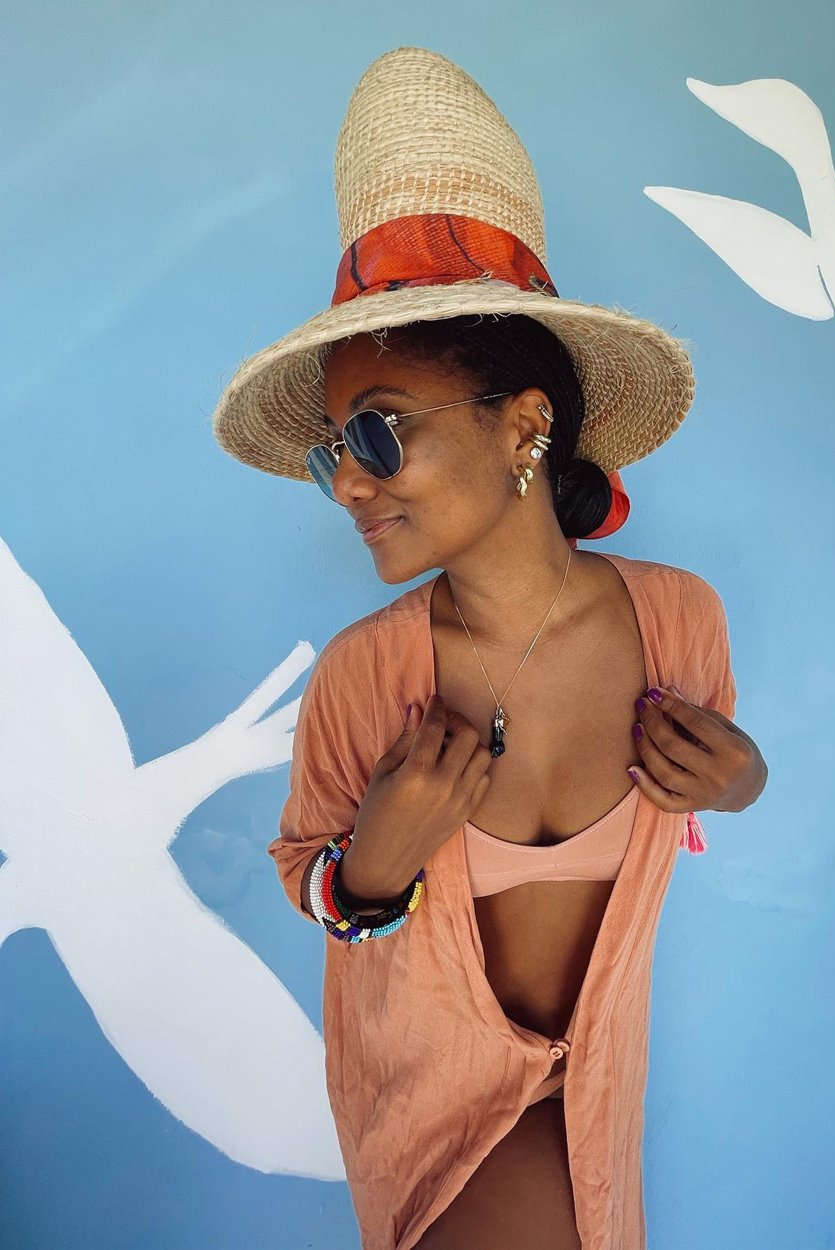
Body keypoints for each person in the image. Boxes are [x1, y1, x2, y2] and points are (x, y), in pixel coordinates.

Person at [212, 45, 767, 1250]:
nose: (347, 480)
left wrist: (742, 777)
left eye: (376, 431)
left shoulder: (679, 622)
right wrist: (371, 867)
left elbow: (703, 802)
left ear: (526, 426)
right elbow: (309, 873)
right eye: (329, 451)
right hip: (431, 1116)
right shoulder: (369, 671)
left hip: (599, 1091)